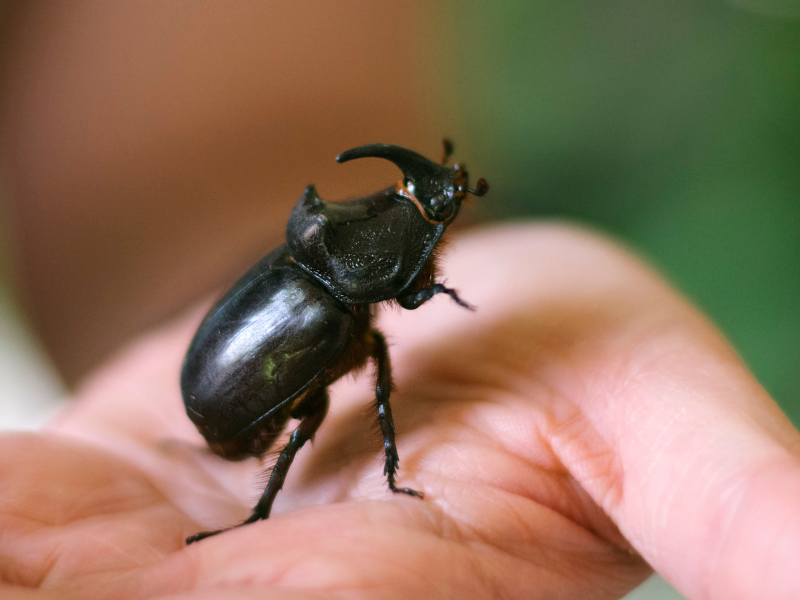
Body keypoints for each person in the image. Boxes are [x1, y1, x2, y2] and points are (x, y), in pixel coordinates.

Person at [0, 223, 797, 599]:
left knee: (345, 394)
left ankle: (284, 500)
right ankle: (264, 510)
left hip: (203, 382)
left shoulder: (339, 276)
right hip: (222, 401)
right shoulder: (345, 314)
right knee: (314, 414)